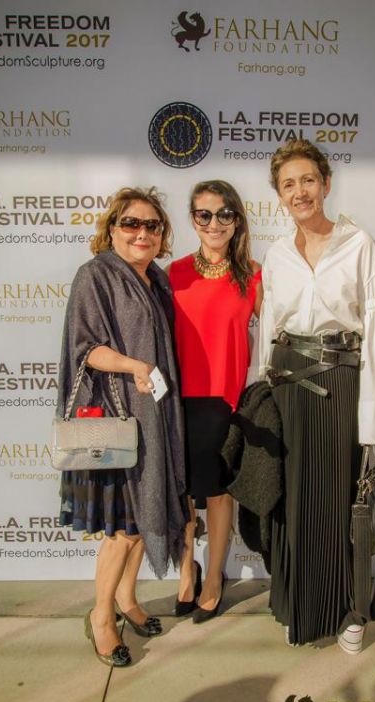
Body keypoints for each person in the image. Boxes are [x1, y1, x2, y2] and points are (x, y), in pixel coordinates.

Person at [258, 140, 375, 650]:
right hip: (286, 381)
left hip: (340, 380)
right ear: (280, 195)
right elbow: (268, 326)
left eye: (307, 180)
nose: (299, 192)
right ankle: (296, 605)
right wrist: (261, 389)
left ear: (325, 183)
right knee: (292, 496)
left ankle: (349, 611)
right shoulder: (277, 253)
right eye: (288, 185)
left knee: (342, 497)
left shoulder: (358, 244)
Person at [58, 187, 188, 666]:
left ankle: (127, 598)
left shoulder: (156, 280)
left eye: (152, 225)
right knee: (123, 529)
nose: (142, 233)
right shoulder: (95, 275)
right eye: (131, 223)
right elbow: (86, 349)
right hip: (117, 420)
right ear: (112, 229)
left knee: (140, 519)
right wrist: (134, 366)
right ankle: (100, 617)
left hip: (154, 417)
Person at [168, 180, 262, 623]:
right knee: (183, 494)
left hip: (226, 401)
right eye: (204, 214)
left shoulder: (253, 275)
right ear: (193, 219)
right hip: (178, 400)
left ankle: (214, 579)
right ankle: (187, 570)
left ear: (237, 219)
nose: (214, 223)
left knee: (220, 493)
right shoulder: (173, 273)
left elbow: (280, 330)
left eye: (224, 214)